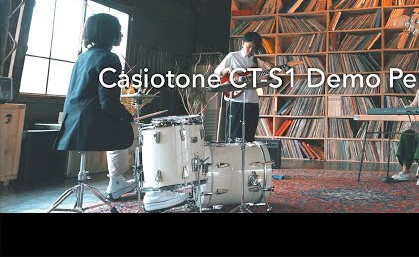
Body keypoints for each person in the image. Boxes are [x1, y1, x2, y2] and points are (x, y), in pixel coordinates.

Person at [56, 13, 186, 211]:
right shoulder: (109, 58)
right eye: (118, 30)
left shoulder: (82, 57)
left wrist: (124, 119)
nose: (122, 35)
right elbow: (108, 102)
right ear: (108, 33)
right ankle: (157, 192)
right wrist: (129, 117)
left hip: (73, 126)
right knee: (153, 135)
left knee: (119, 128)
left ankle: (116, 181)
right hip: (94, 125)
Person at [214, 31, 264, 143]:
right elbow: (217, 72)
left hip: (252, 100)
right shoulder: (232, 56)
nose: (250, 50)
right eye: (248, 46)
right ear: (242, 43)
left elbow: (261, 80)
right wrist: (228, 70)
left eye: (253, 48)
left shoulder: (257, 62)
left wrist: (268, 77)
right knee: (234, 134)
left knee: (250, 135)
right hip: (236, 100)